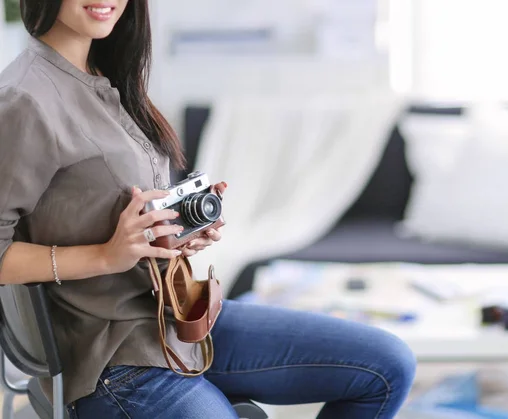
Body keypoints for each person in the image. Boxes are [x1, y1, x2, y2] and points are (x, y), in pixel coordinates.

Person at [0, 1, 417, 418]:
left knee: (387, 365)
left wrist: (176, 229)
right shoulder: (25, 98)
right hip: (115, 359)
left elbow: (96, 208)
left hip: (175, 322)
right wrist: (105, 256)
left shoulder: (103, 73)